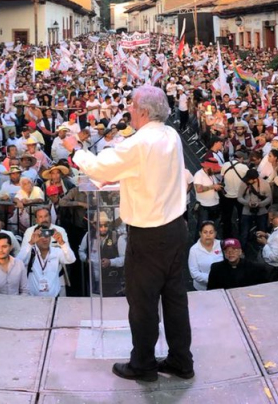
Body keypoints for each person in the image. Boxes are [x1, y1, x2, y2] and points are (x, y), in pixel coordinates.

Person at [65, 85, 194, 382]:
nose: (129, 111)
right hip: (176, 228)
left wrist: (76, 151)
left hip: (148, 235)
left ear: (144, 111)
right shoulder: (171, 134)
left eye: (132, 107)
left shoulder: (139, 143)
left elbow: (99, 169)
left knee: (143, 302)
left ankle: (144, 365)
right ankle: (180, 361)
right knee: (175, 298)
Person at [17, 221, 75, 297]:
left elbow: (71, 259)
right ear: (35, 237)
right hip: (32, 299)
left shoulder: (56, 251)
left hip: (53, 298)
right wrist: (31, 242)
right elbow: (18, 262)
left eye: (47, 236)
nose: (45, 239)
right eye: (41, 236)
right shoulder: (30, 251)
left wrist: (62, 242)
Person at [78, 212, 126, 296]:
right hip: (94, 281)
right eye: (100, 226)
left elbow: (125, 258)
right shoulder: (88, 236)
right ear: (94, 225)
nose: (103, 228)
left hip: (112, 282)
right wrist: (86, 259)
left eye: (106, 225)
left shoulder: (117, 238)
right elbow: (81, 251)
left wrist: (111, 262)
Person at [188, 221, 223, 291]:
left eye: (211, 232)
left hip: (221, 286)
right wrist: (212, 278)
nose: (208, 235)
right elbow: (194, 272)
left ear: (215, 234)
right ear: (200, 233)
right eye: (205, 232)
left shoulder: (221, 245)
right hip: (201, 289)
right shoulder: (194, 250)